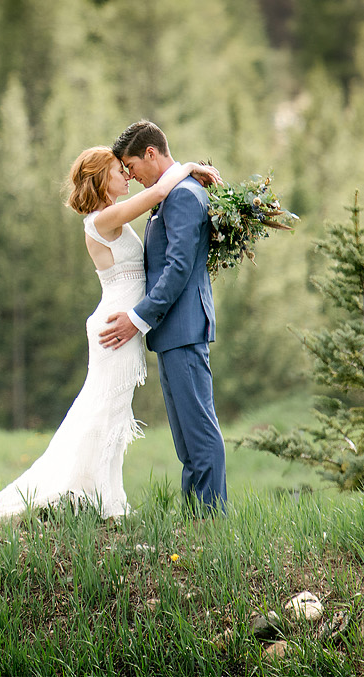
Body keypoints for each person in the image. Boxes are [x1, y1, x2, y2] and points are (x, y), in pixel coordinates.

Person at [0, 145, 217, 519]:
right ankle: (100, 500)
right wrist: (187, 167)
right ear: (100, 179)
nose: (126, 175)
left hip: (122, 325)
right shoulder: (101, 219)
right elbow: (158, 192)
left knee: (110, 412)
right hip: (115, 327)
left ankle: (103, 496)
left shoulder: (113, 218)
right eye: (118, 170)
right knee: (104, 412)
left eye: (127, 169)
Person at [96, 119, 226, 512]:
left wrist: (137, 318)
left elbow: (178, 267)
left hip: (183, 328)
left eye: (131, 166)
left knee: (199, 430)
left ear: (150, 154)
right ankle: (196, 521)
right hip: (171, 331)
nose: (130, 176)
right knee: (186, 437)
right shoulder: (171, 195)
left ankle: (211, 522)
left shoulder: (183, 195)